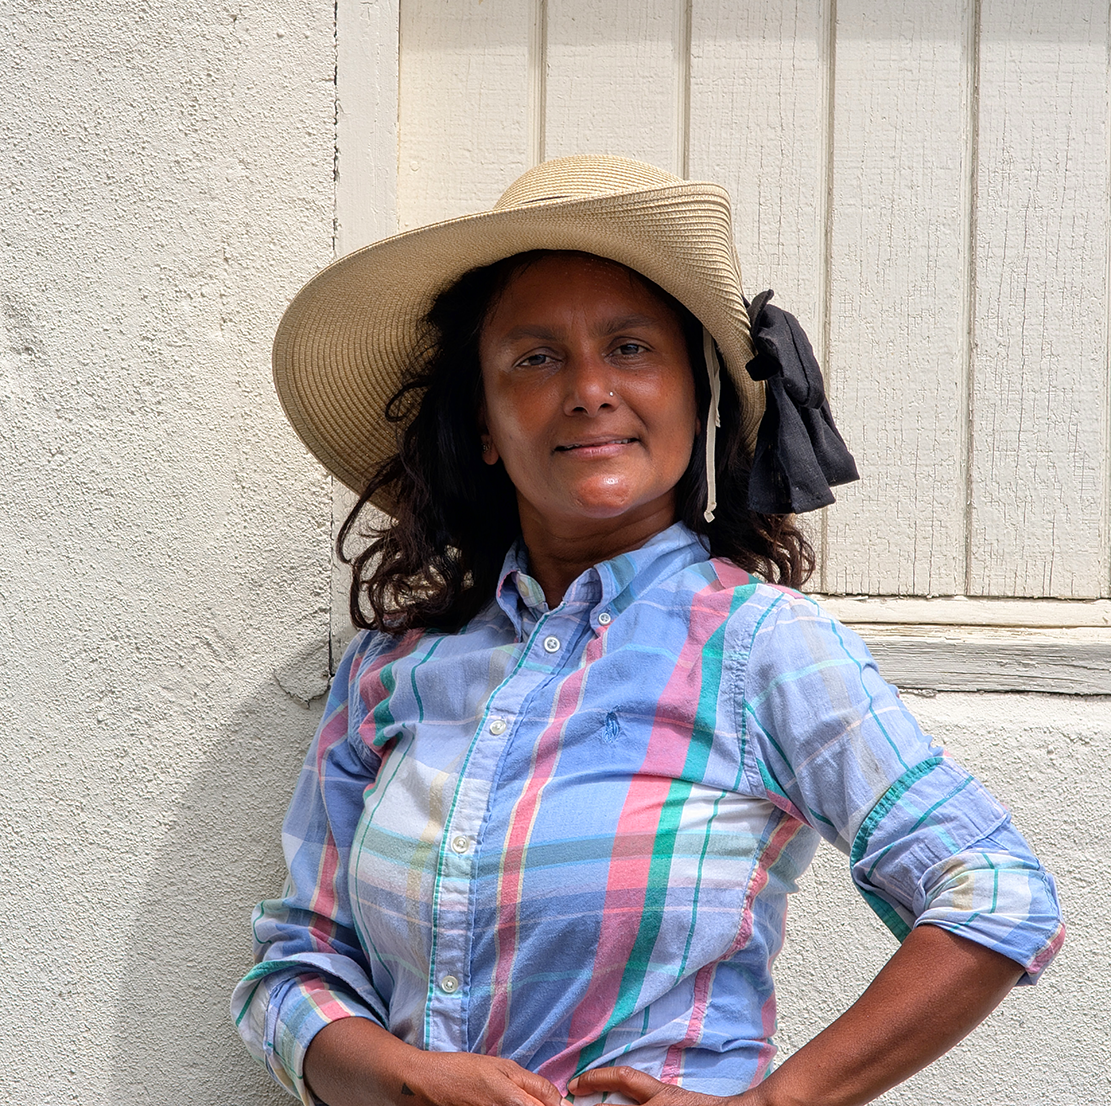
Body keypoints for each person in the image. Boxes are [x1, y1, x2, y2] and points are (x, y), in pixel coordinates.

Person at [232, 156, 1063, 1106]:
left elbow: (995, 893)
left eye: (630, 348)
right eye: (536, 357)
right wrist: (403, 1076)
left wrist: (777, 1103)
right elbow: (296, 964)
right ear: (486, 424)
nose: (589, 389)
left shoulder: (758, 647)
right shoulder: (394, 670)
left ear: (697, 399)